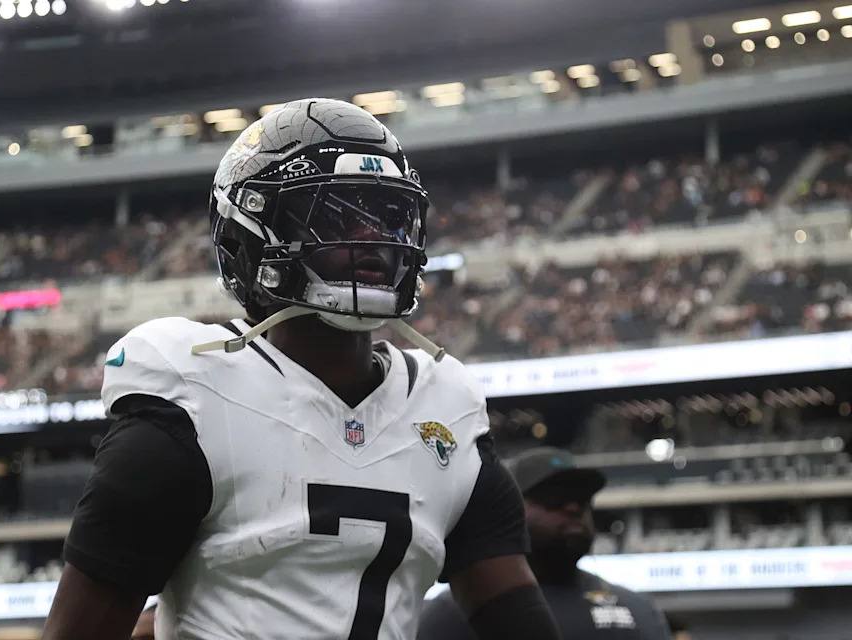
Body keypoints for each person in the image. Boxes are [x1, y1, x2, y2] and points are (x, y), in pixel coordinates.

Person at [42, 98, 562, 640]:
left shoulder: (443, 406)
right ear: (250, 238)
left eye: (386, 216)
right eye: (335, 214)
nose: (373, 239)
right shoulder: (196, 396)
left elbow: (520, 621)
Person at [418, 447, 673, 640]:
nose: (574, 507)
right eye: (554, 496)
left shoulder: (638, 609)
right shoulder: (451, 614)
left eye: (583, 499)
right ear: (509, 507)